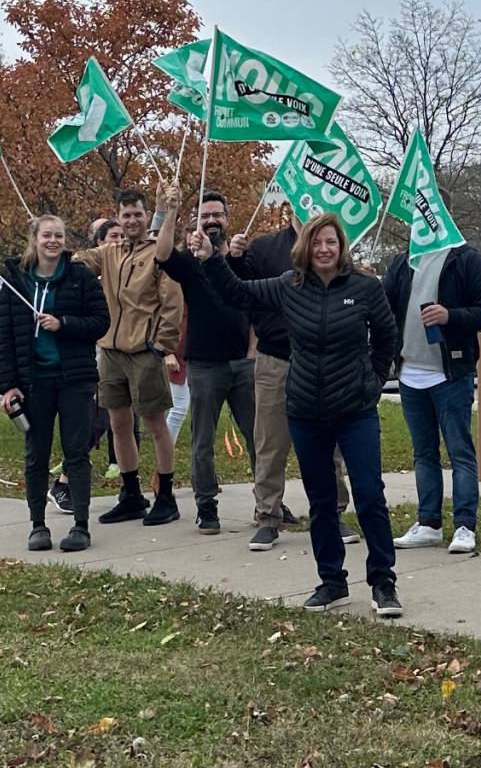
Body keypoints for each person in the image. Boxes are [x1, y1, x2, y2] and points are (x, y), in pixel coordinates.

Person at [173, 214, 404, 618]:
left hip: (355, 410)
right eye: (317, 242)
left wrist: (373, 381)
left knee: (370, 497)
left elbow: (387, 336)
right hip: (306, 411)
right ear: (306, 247)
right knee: (320, 502)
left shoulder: (365, 288)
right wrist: (211, 258)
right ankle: (332, 582)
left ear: (341, 245)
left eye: (331, 242)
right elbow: (236, 293)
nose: (324, 249)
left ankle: (383, 582)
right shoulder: (288, 286)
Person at [0, 216, 110, 552]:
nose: (53, 241)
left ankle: (81, 526)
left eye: (59, 235)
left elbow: (101, 322)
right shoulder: (16, 281)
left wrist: (64, 324)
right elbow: (3, 336)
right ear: (34, 238)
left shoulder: (80, 277)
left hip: (74, 379)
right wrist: (8, 385)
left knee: (76, 453)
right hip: (33, 383)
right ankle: (37, 525)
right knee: (36, 454)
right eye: (47, 235)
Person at [383, 233, 481, 556]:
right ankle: (429, 522)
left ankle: (465, 525)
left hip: (450, 373)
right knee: (423, 453)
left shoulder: (465, 259)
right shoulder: (403, 260)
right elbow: (384, 304)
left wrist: (451, 316)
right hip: (409, 373)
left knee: (460, 450)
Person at [76, 188, 186, 526]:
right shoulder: (110, 252)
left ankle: (165, 496)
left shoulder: (159, 253)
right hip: (111, 351)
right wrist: (48, 251)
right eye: (125, 215)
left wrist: (161, 345)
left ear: (144, 214)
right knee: (119, 424)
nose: (132, 220)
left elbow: (172, 302)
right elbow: (78, 260)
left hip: (144, 351)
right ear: (118, 218)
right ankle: (131, 494)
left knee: (155, 424)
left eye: (137, 213)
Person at [156, 185, 257, 538]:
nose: (212, 221)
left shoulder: (242, 258)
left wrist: (254, 349)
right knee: (203, 440)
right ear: (197, 222)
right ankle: (206, 507)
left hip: (244, 364)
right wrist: (169, 213)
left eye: (218, 215)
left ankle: (268, 504)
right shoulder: (189, 262)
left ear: (228, 220)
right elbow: (163, 253)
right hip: (204, 365)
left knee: (259, 437)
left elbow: (260, 301)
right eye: (205, 216)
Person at [233, 212, 320, 550]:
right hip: (274, 357)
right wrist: (234, 258)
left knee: (328, 444)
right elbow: (240, 288)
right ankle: (268, 516)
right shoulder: (264, 247)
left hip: (319, 361)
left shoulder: (330, 246)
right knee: (269, 441)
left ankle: (330, 512)